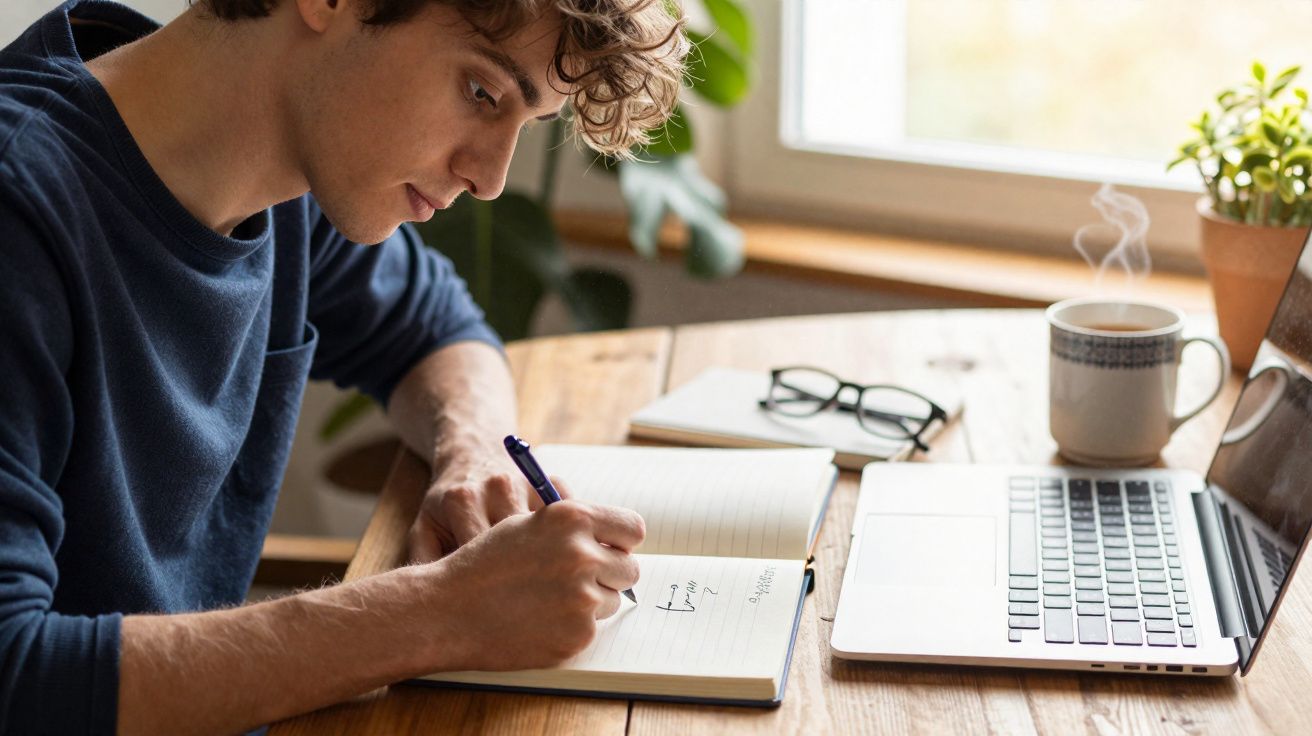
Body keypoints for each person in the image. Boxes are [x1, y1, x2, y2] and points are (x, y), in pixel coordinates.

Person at [0, 0, 686, 732]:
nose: (489, 178)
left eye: (526, 123)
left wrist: (474, 452)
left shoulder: (289, 167)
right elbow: (14, 677)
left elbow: (437, 326)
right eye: (481, 92)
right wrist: (443, 613)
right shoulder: (22, 211)